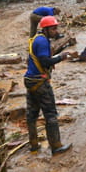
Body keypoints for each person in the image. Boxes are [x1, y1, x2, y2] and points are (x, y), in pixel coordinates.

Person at [24, 16, 72, 156]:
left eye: (56, 28)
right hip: (40, 83)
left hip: (30, 80)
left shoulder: (36, 39)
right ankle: (56, 146)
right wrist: (60, 58)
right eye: (53, 29)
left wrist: (58, 53)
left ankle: (33, 144)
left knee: (32, 114)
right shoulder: (43, 42)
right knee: (50, 114)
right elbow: (45, 62)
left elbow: (37, 58)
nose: (55, 31)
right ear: (45, 29)